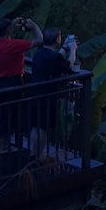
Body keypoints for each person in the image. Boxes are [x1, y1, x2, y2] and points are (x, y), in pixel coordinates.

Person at [0, 17, 43, 153]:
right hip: (12, 83)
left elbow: (2, 38)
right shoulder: (14, 45)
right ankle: (4, 146)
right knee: (9, 114)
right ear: (8, 31)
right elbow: (40, 40)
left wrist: (11, 25)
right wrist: (34, 26)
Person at [29, 28, 74, 157]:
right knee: (43, 127)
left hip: (35, 93)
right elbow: (69, 66)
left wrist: (64, 47)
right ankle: (39, 154)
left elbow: (56, 58)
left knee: (35, 125)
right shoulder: (54, 57)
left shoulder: (39, 53)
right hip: (47, 96)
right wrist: (73, 49)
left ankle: (32, 151)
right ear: (57, 39)